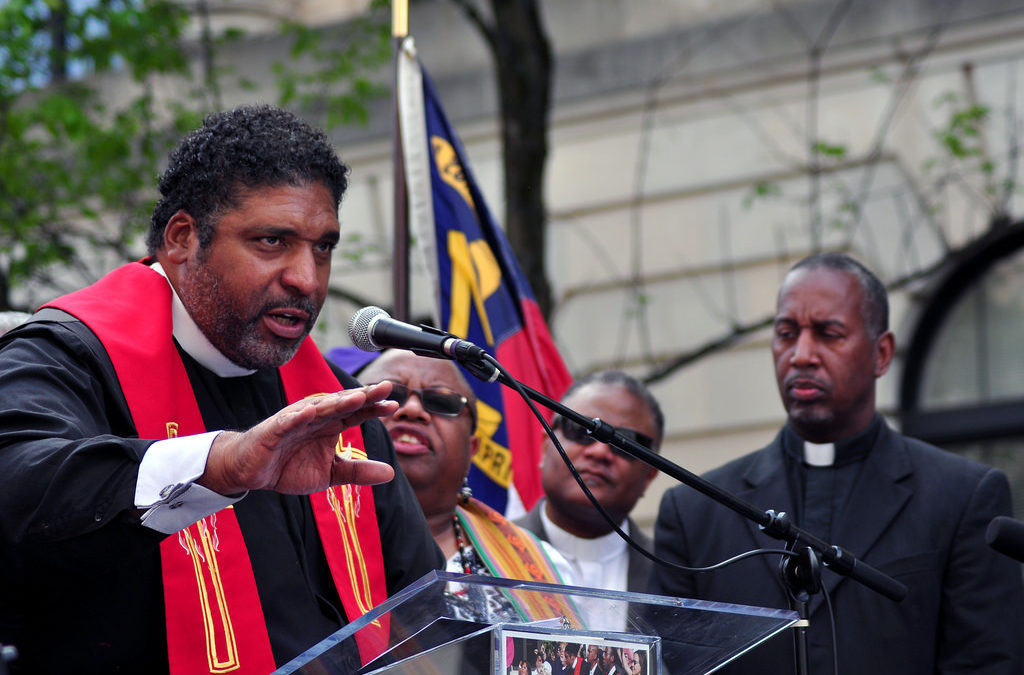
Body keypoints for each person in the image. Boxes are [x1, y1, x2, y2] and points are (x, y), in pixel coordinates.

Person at [0, 105, 443, 675]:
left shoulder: (332, 402)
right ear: (182, 238)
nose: (306, 278)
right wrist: (216, 466)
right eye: (271, 241)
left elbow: (425, 609)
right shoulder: (66, 357)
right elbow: (17, 489)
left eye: (323, 247)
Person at [649, 252, 1024, 674]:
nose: (801, 354)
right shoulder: (696, 512)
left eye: (828, 333)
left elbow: (987, 663)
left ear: (881, 354)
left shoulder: (961, 496)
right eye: (786, 333)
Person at [358, 349, 575, 612]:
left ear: (471, 449)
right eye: (388, 395)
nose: (413, 410)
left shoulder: (542, 567)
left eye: (442, 402)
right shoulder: (302, 532)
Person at [515, 370, 663, 593]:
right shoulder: (485, 553)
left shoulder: (675, 578)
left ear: (649, 476)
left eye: (625, 442)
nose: (599, 451)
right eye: (581, 429)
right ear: (546, 448)